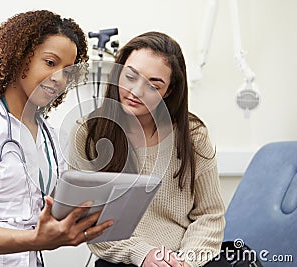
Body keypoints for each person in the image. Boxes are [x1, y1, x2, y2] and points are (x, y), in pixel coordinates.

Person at [0, 10, 113, 267]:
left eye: (67, 71)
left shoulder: (50, 138)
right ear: (19, 56)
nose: (59, 78)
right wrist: (34, 239)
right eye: (50, 62)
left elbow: (45, 213)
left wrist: (80, 219)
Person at [68, 31, 226, 267]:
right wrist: (143, 254)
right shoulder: (88, 134)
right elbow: (90, 222)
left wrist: (186, 261)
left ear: (169, 91)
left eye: (153, 85)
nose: (136, 91)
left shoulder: (193, 136)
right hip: (125, 259)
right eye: (130, 77)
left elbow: (209, 215)